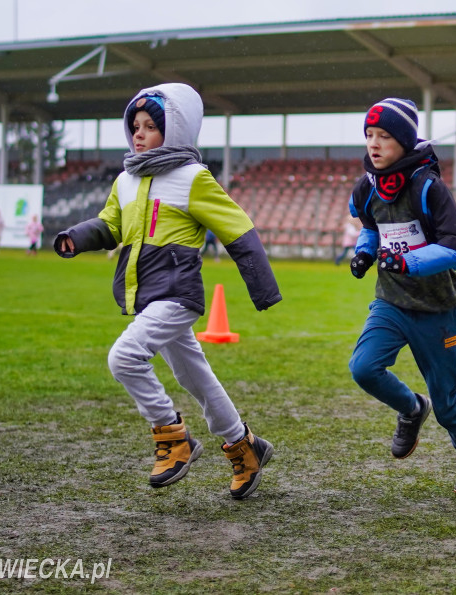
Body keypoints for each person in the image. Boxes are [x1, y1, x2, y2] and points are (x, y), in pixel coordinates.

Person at [54, 83, 282, 499]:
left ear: (173, 131)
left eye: (149, 126)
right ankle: (244, 446)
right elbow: (111, 224)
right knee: (195, 375)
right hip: (148, 297)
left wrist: (263, 290)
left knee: (124, 357)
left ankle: (173, 436)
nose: (138, 134)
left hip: (178, 295)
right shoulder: (126, 179)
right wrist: (76, 236)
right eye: (134, 126)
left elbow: (239, 230)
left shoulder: (193, 177)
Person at [346, 97, 456, 494]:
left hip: (436, 309)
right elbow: (372, 227)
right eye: (369, 135)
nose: (373, 144)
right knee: (363, 368)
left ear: (405, 142)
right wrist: (364, 251)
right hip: (391, 301)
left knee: (446, 402)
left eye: (384, 136)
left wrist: (407, 262)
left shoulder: (428, 186)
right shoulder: (368, 186)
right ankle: (412, 408)